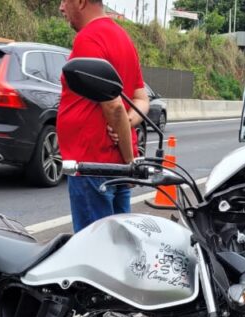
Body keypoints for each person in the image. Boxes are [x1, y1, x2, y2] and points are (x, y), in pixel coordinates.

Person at [57, 0, 149, 233]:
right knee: (119, 244)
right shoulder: (123, 38)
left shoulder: (89, 38)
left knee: (95, 250)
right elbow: (141, 99)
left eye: (64, 1)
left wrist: (130, 161)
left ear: (80, 2)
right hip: (113, 165)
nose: (61, 8)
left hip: (92, 163)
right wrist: (127, 124)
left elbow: (114, 107)